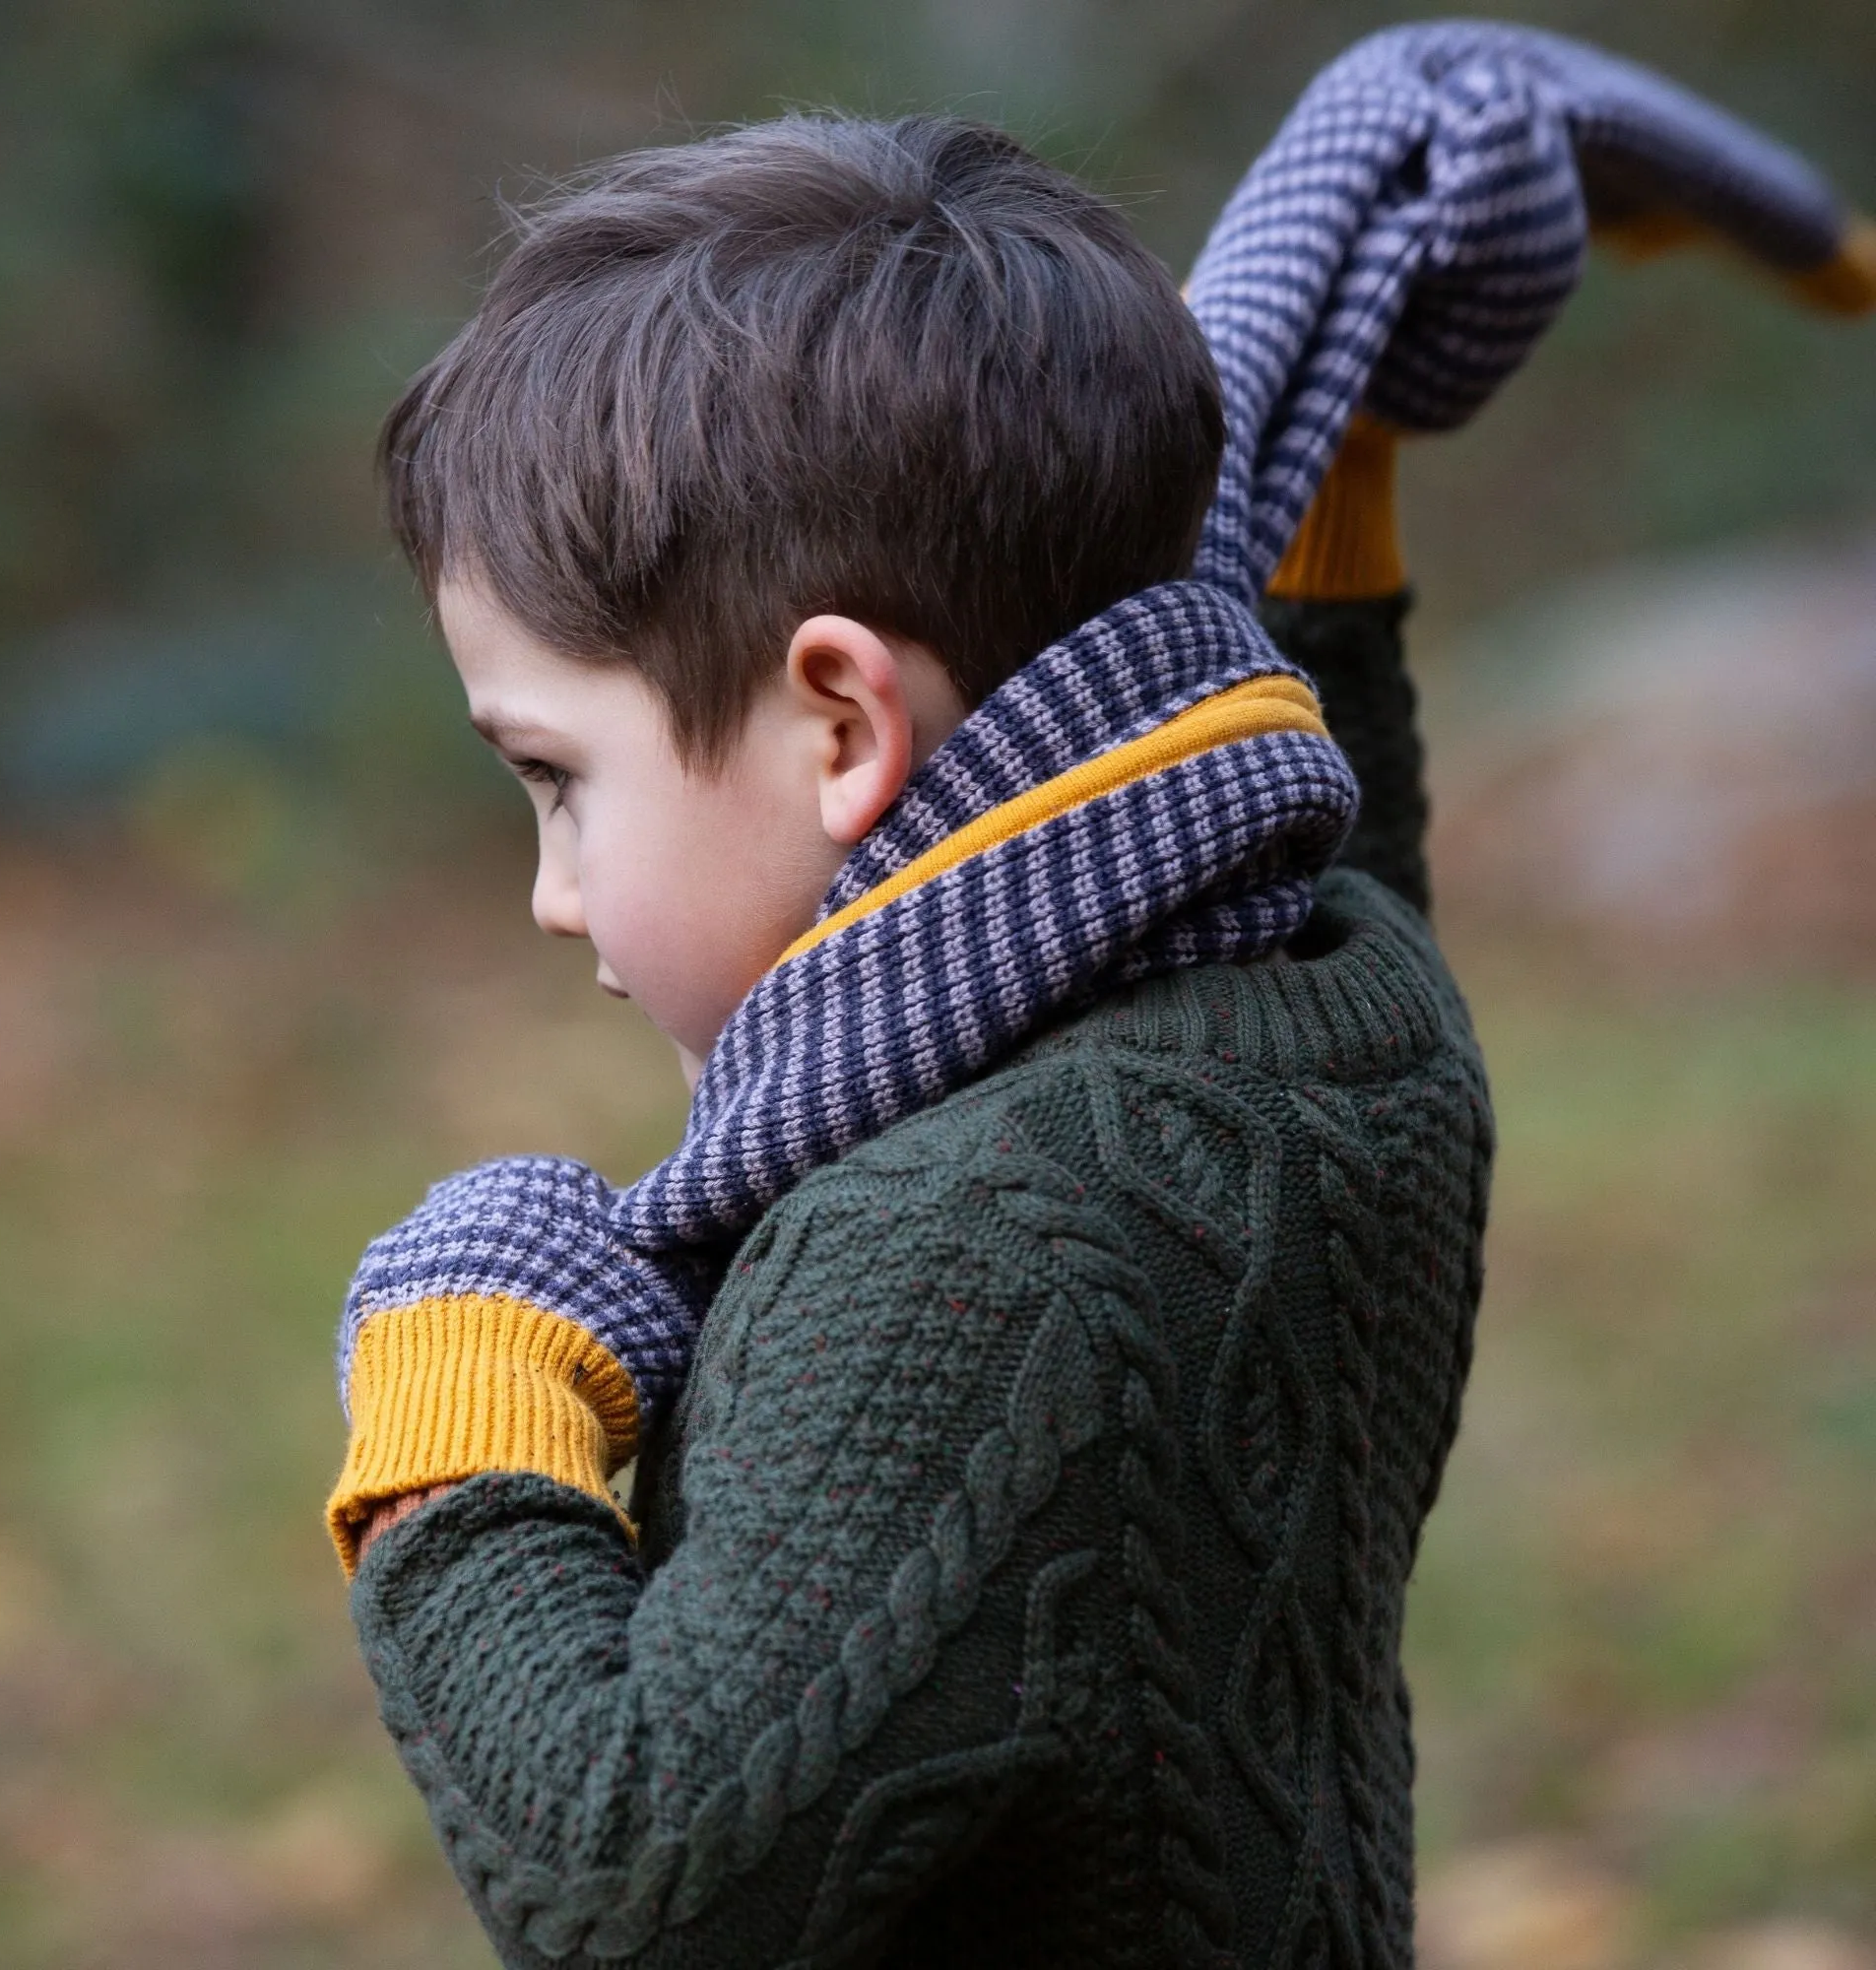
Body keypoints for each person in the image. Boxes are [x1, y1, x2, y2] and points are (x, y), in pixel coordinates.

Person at [323, 29, 1872, 1969]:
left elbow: (639, 1871)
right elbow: (1304, 822)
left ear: (835, 719)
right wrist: (1328, 472)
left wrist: (466, 1401)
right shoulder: (1337, 1022)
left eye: (557, 777)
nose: (552, 895)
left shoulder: (959, 1249)